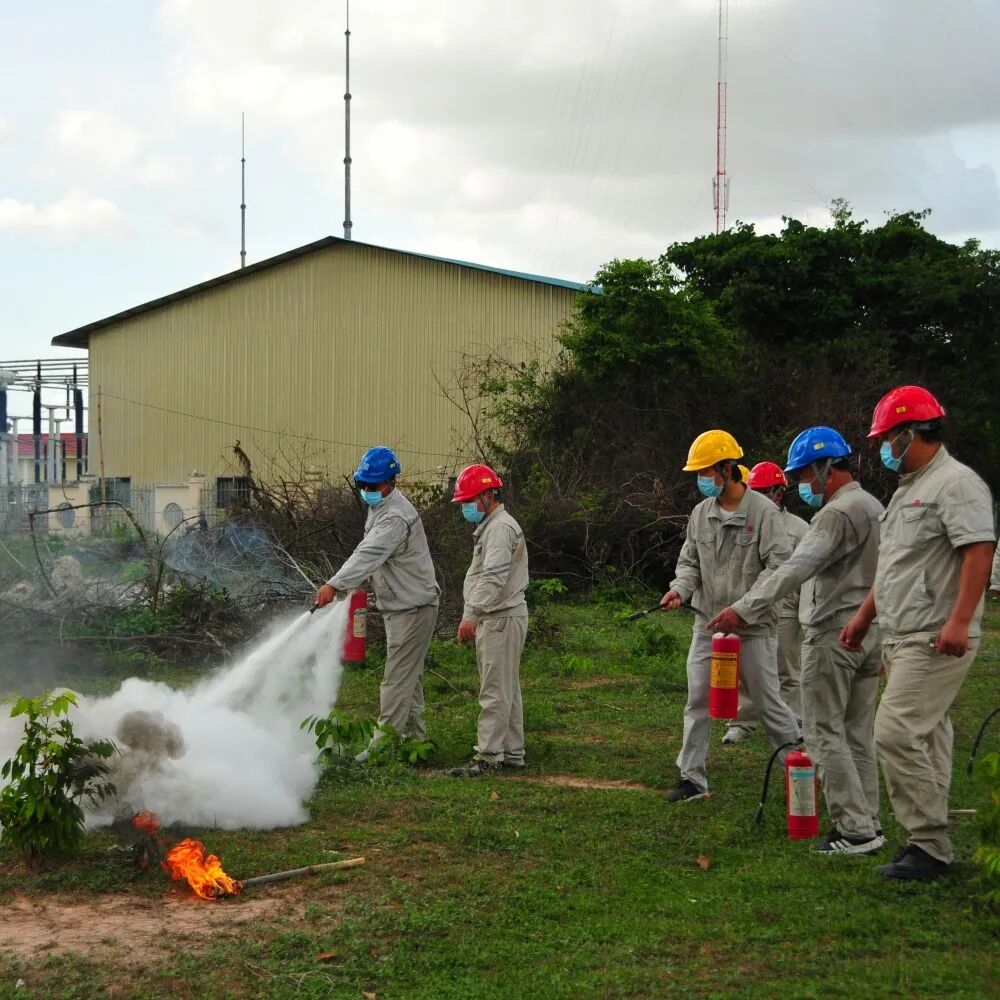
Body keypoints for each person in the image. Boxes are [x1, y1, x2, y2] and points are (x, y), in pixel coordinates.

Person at [841, 386, 995, 880]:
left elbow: (979, 550)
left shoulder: (956, 484)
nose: (884, 448)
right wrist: (866, 617)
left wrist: (959, 619)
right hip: (905, 631)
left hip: (936, 634)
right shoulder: (909, 488)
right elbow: (896, 569)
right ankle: (932, 839)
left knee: (894, 729)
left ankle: (928, 843)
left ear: (910, 434)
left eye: (888, 438)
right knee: (926, 735)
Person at [708, 428, 885, 855]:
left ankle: (854, 829)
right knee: (858, 734)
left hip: (833, 634)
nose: (802, 483)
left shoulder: (836, 514)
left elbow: (793, 570)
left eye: (805, 473)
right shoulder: (874, 506)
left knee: (823, 732)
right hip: (869, 630)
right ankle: (870, 821)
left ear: (827, 467)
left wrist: (742, 609)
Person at [660, 430, 800, 803]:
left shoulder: (764, 513)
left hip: (754, 628)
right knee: (698, 700)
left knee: (768, 702)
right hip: (707, 625)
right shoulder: (700, 514)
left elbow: (780, 569)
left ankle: (801, 772)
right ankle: (692, 779)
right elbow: (690, 562)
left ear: (727, 469)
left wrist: (741, 611)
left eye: (705, 472)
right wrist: (680, 589)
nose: (700, 481)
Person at [315, 446, 440, 762]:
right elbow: (368, 552)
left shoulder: (395, 517)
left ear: (391, 482)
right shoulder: (382, 508)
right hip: (404, 606)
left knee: (396, 680)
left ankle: (381, 750)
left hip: (412, 608)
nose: (367, 491)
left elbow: (368, 555)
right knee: (409, 680)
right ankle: (415, 744)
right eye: (363, 485)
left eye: (374, 485)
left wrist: (334, 585)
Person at [448, 463, 529, 778]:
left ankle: (488, 756)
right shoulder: (494, 526)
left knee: (494, 689)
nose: (466, 507)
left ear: (487, 495)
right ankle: (512, 752)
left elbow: (493, 579)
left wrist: (471, 614)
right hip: (502, 617)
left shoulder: (498, 529)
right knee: (506, 687)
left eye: (469, 501)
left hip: (499, 618)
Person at [722, 461, 809, 744]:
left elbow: (807, 572)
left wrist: (806, 611)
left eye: (763, 491)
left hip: (785, 607)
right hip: (747, 604)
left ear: (778, 493)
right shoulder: (744, 520)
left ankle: (792, 719)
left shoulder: (799, 528)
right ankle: (742, 722)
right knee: (742, 666)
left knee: (786, 666)